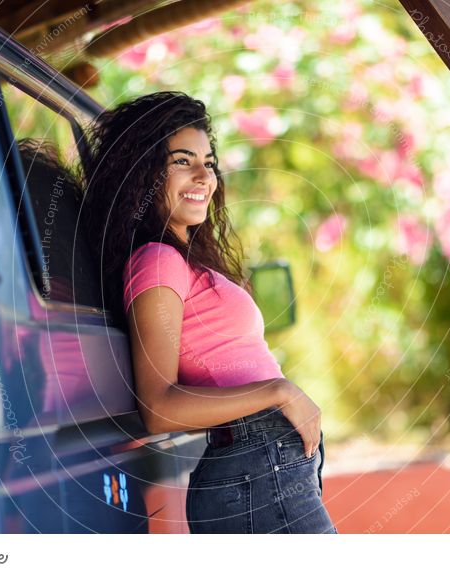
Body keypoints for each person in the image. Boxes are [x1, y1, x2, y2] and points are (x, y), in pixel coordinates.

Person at [81, 91, 337, 534]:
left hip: (266, 465)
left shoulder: (180, 260)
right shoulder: (157, 261)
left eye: (209, 161)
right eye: (182, 161)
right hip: (257, 465)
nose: (204, 174)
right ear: (142, 175)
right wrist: (279, 391)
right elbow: (159, 407)